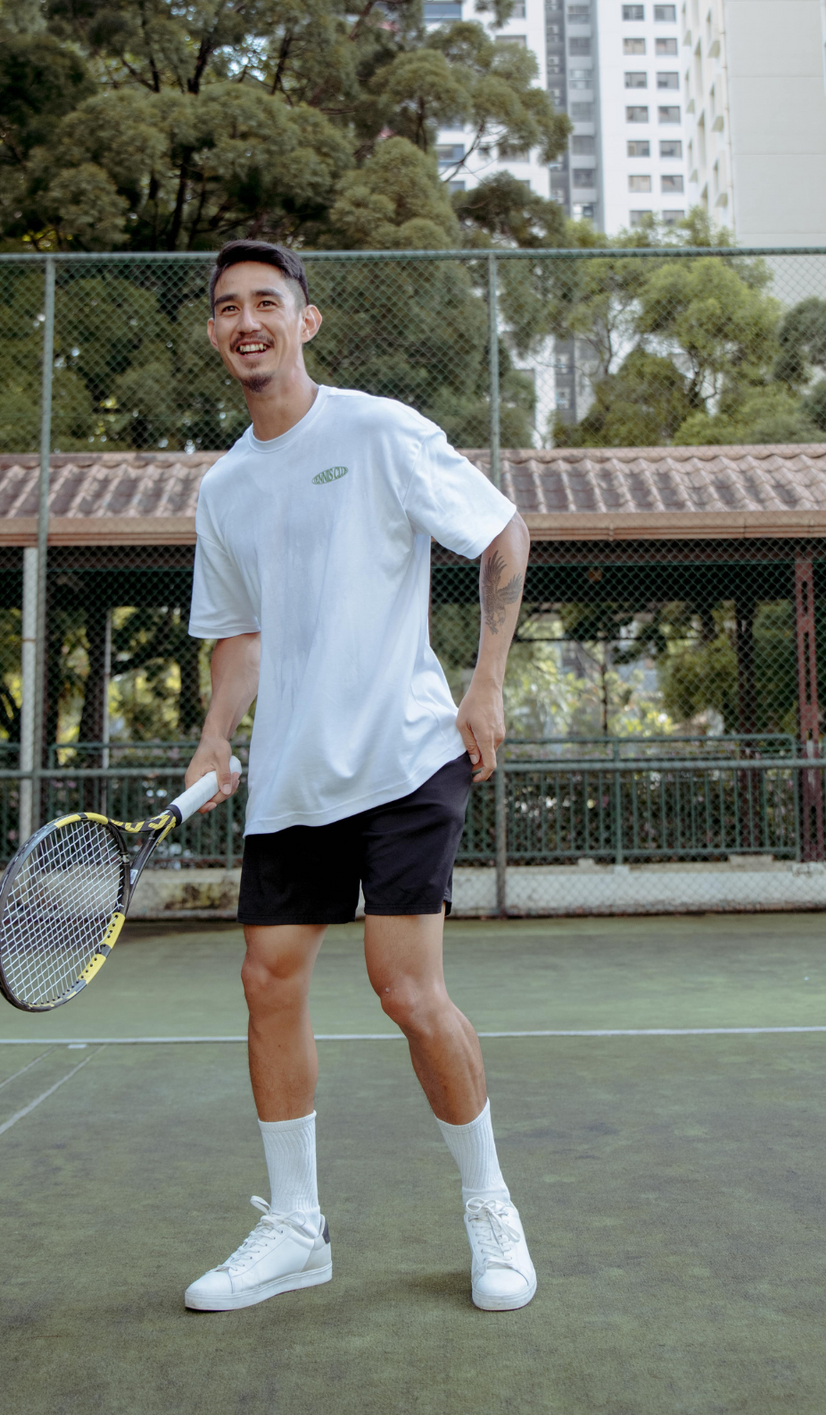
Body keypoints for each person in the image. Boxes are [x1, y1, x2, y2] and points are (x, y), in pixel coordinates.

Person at [180, 239, 535, 1314]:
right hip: (294, 774)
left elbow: (501, 534)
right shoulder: (224, 488)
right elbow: (237, 633)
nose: (247, 321)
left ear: (305, 321)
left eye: (267, 303)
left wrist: (485, 683)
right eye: (228, 307)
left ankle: (490, 1205)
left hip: (404, 753)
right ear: (214, 332)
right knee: (267, 978)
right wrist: (214, 736)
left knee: (405, 988)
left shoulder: (378, 430)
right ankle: (296, 1228)